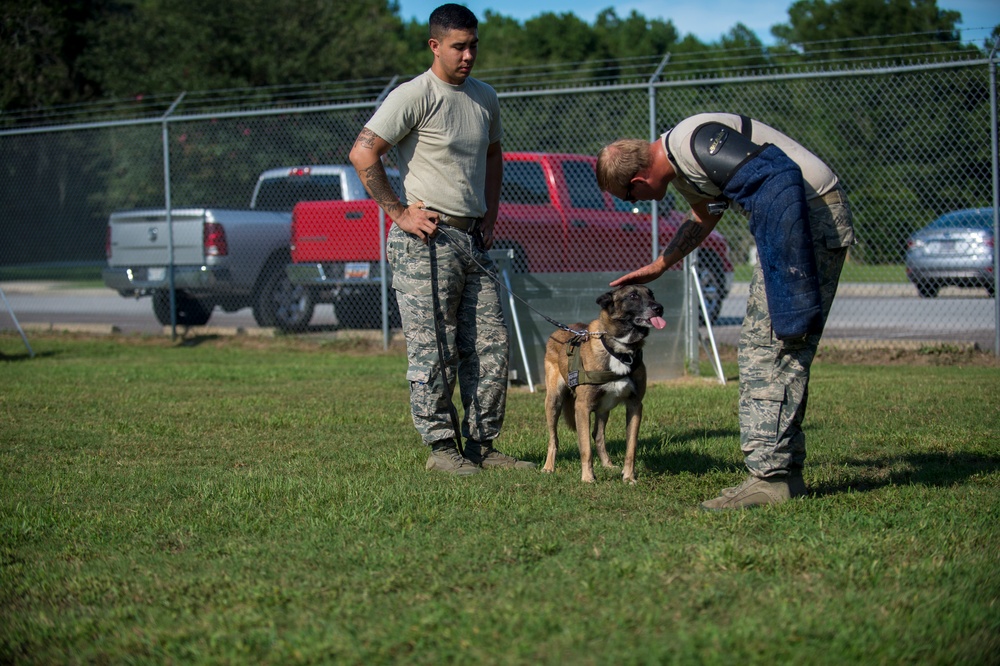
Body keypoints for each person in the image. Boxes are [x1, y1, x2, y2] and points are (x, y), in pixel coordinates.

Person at [596, 112, 855, 510]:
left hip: (806, 218)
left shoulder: (694, 143)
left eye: (630, 199)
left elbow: (778, 177)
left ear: (638, 183)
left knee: (768, 348)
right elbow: (708, 211)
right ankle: (784, 473)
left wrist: (784, 272)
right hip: (798, 217)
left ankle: (770, 479)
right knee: (774, 347)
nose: (637, 206)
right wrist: (664, 263)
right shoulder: (682, 162)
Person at [349, 3, 534, 476]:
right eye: (459, 46)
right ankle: (442, 449)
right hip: (425, 242)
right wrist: (398, 212)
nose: (468, 55)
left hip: (472, 240)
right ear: (435, 46)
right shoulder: (414, 94)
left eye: (474, 45)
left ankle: (483, 446)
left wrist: (490, 214)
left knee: (492, 347)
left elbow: (494, 156)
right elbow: (363, 152)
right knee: (435, 348)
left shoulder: (484, 97)